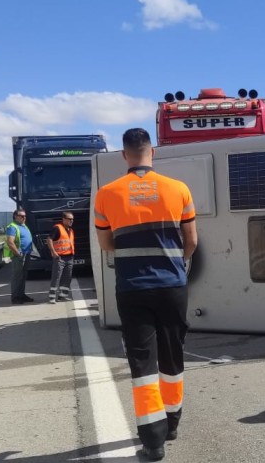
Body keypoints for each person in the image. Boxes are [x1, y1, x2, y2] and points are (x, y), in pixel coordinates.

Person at [95, 127, 198, 462]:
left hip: (132, 288)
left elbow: (106, 243)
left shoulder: (106, 194)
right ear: (151, 151)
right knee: (172, 355)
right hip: (171, 287)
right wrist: (175, 264)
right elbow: (192, 241)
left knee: (142, 362)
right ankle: (173, 423)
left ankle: (153, 443)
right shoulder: (178, 189)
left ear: (124, 155)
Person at [4, 209, 35, 304]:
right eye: (21, 216)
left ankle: (21, 295)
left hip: (26, 253)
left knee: (23, 276)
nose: (24, 218)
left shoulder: (23, 226)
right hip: (19, 255)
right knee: (17, 277)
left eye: (25, 216)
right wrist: (18, 253)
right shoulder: (12, 227)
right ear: (15, 216)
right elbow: (10, 242)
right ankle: (15, 297)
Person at [46, 212, 76, 303]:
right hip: (60, 257)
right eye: (69, 219)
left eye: (72, 219)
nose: (71, 221)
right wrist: (53, 252)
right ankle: (52, 297)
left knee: (67, 277)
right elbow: (49, 239)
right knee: (56, 277)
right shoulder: (57, 228)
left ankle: (63, 296)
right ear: (63, 219)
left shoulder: (70, 230)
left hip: (69, 257)